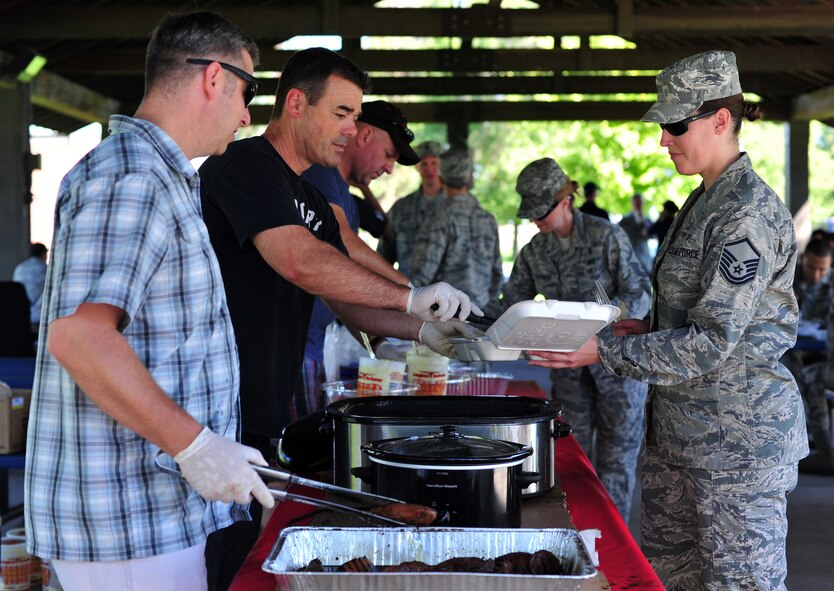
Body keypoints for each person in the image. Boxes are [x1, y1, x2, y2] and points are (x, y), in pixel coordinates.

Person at [198, 47, 478, 589]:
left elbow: (346, 299)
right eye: (342, 113)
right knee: (223, 567)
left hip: (260, 409)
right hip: (217, 412)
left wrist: (426, 329)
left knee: (245, 551)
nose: (352, 130)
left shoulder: (304, 192)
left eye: (356, 116)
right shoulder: (245, 165)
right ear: (297, 103)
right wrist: (410, 298)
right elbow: (301, 263)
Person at [527, 50, 808, 590]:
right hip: (681, 439)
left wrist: (603, 352)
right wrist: (648, 327)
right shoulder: (703, 202)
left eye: (676, 125)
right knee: (670, 583)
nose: (663, 140)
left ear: (722, 120)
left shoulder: (744, 212)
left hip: (735, 449)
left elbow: (711, 342)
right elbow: (695, 311)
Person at [24, 12, 273, 591]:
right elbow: (80, 338)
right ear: (214, 77)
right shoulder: (135, 176)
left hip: (152, 511)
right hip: (128, 520)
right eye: (247, 91)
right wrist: (195, 444)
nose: (244, 115)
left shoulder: (160, 175)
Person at [486, 157, 651, 519]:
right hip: (568, 373)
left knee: (617, 465)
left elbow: (640, 292)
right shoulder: (535, 251)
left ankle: (611, 542)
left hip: (617, 367)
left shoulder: (605, 235)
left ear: (565, 200)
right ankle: (578, 533)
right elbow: (510, 303)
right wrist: (466, 314)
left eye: (540, 212)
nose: (534, 221)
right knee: (572, 461)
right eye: (529, 214)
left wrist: (607, 320)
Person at [297, 99, 417, 417]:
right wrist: (409, 291)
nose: (390, 167)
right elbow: (344, 245)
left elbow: (341, 287)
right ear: (364, 137)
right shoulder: (321, 175)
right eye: (390, 154)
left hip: (312, 345)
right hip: (291, 347)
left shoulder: (345, 196)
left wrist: (379, 343)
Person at [410, 148, 504, 309]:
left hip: (446, 314)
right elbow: (497, 274)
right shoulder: (487, 219)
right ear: (469, 177)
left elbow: (421, 277)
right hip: (483, 313)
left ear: (441, 178)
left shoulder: (437, 220)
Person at [377, 140, 445, 277]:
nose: (429, 169)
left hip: (450, 292)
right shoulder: (401, 208)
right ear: (417, 168)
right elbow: (385, 253)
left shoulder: (456, 206)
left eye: (434, 163)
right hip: (411, 291)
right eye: (424, 164)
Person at [12, 242, 48, 328]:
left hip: (18, 314)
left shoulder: (20, 268)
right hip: (37, 318)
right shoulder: (45, 269)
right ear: (44, 254)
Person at [618, 193, 653, 272]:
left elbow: (651, 235)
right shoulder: (625, 220)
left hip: (644, 256)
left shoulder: (647, 219)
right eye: (636, 203)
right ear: (633, 204)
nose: (638, 205)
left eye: (640, 203)